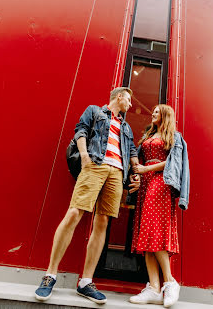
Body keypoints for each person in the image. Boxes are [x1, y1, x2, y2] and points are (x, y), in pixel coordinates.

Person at [35, 87, 139, 304]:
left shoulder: (126, 126)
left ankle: (86, 282)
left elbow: (132, 151)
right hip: (95, 165)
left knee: (102, 222)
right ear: (118, 97)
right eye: (128, 100)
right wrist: (84, 157)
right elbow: (80, 131)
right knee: (75, 213)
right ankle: (50, 275)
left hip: (117, 172)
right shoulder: (94, 111)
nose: (130, 105)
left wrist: (135, 172)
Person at [129, 104, 190, 308]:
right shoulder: (149, 134)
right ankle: (154, 288)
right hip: (147, 182)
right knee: (147, 232)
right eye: (153, 111)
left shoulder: (174, 136)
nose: (153, 113)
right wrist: (139, 174)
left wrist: (147, 168)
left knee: (155, 231)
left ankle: (170, 282)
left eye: (157, 111)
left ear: (165, 115)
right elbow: (139, 160)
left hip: (161, 181)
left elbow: (174, 162)